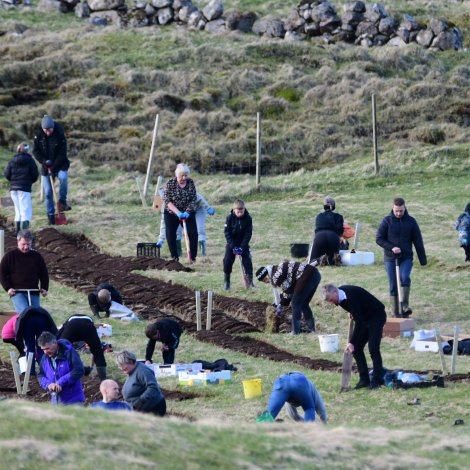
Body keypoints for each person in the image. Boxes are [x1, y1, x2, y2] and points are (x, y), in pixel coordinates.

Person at [321, 283, 386, 389]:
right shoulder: (340, 297)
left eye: (331, 300)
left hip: (376, 316)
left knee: (373, 348)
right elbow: (357, 312)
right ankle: (364, 379)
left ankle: (377, 379)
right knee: (356, 349)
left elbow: (359, 322)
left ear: (335, 292)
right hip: (364, 317)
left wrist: (351, 342)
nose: (331, 302)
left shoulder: (350, 296)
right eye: (329, 301)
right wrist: (352, 311)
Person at [376, 197, 427, 317]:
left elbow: (418, 241)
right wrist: (392, 247)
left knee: (404, 277)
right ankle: (395, 312)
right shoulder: (386, 221)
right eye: (396, 211)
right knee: (393, 284)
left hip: (406, 257)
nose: (399, 213)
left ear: (405, 208)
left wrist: (423, 260)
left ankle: (404, 306)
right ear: (392, 208)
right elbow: (379, 238)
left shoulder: (411, 222)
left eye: (401, 211)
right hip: (390, 258)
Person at [256, 261, 321, 335]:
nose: (266, 282)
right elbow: (287, 288)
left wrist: (281, 305)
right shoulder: (276, 269)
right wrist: (281, 301)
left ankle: (296, 332)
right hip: (315, 275)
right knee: (304, 303)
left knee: (295, 303)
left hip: (307, 276)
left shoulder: (275, 276)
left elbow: (288, 291)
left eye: (265, 279)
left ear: (267, 274)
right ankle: (311, 329)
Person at [33, 114, 70, 225]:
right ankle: (50, 216)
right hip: (46, 167)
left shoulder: (59, 134)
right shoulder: (38, 135)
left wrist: (54, 164)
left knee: (63, 177)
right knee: (48, 192)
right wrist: (44, 162)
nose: (48, 132)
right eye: (46, 130)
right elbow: (36, 152)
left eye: (50, 130)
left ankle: (62, 201)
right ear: (43, 128)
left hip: (60, 164)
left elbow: (62, 153)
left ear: (53, 127)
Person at [0, 229, 49, 313]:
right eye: (23, 244)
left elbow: (43, 273)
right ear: (18, 242)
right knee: (25, 312)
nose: (26, 247)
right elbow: (2, 273)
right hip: (17, 292)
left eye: (28, 244)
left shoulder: (37, 256)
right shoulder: (10, 256)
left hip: (33, 291)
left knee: (36, 314)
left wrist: (44, 287)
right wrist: (8, 288)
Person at [37, 331, 85, 405]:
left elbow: (79, 370)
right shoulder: (44, 358)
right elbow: (40, 375)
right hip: (56, 402)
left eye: (47, 348)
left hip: (74, 401)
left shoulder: (69, 352)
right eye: (43, 349)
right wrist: (48, 384)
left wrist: (61, 382)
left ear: (55, 343)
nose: (45, 352)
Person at [163, 163, 198, 262]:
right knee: (170, 234)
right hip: (172, 213)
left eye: (186, 175)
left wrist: (187, 212)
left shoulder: (190, 183)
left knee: (193, 234)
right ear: (176, 175)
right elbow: (167, 200)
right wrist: (178, 213)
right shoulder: (170, 183)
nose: (184, 177)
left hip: (188, 213)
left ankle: (192, 257)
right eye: (181, 175)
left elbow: (193, 199)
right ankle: (174, 257)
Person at [116, 350, 166, 416]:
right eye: (120, 366)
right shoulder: (132, 371)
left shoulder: (142, 371)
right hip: (139, 409)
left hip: (153, 409)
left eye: (123, 366)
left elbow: (153, 387)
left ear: (130, 361)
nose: (121, 368)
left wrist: (141, 400)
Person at [57, 314, 107, 379]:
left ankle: (60, 375)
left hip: (72, 326)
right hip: (87, 327)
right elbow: (95, 349)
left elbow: (58, 337)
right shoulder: (90, 323)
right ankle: (103, 380)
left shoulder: (67, 324)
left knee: (61, 350)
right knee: (98, 353)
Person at [4, 142, 39, 234]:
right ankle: (24, 232)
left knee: (17, 210)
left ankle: (17, 232)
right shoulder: (30, 160)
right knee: (25, 210)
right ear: (27, 150)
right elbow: (35, 174)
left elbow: (7, 174)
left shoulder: (12, 160)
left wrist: (13, 181)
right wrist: (28, 182)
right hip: (24, 188)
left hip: (13, 188)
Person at [15, 306, 57, 374]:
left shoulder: (24, 314)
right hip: (42, 320)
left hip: (27, 321)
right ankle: (44, 371)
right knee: (41, 347)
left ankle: (31, 372)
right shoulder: (41, 312)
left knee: (30, 347)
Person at [223, 199, 253, 290]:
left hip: (243, 243)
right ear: (234, 210)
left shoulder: (248, 219)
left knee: (247, 261)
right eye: (238, 212)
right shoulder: (229, 218)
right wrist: (233, 246)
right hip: (232, 243)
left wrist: (242, 247)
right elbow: (227, 233)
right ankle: (227, 282)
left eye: (242, 211)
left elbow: (248, 234)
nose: (240, 213)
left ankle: (250, 282)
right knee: (227, 261)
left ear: (244, 209)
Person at [308, 196, 344, 266]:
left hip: (320, 236)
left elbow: (316, 230)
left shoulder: (319, 216)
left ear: (324, 206)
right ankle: (334, 259)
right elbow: (340, 231)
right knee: (332, 256)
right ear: (333, 206)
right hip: (333, 237)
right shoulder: (339, 216)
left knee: (312, 260)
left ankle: (319, 260)